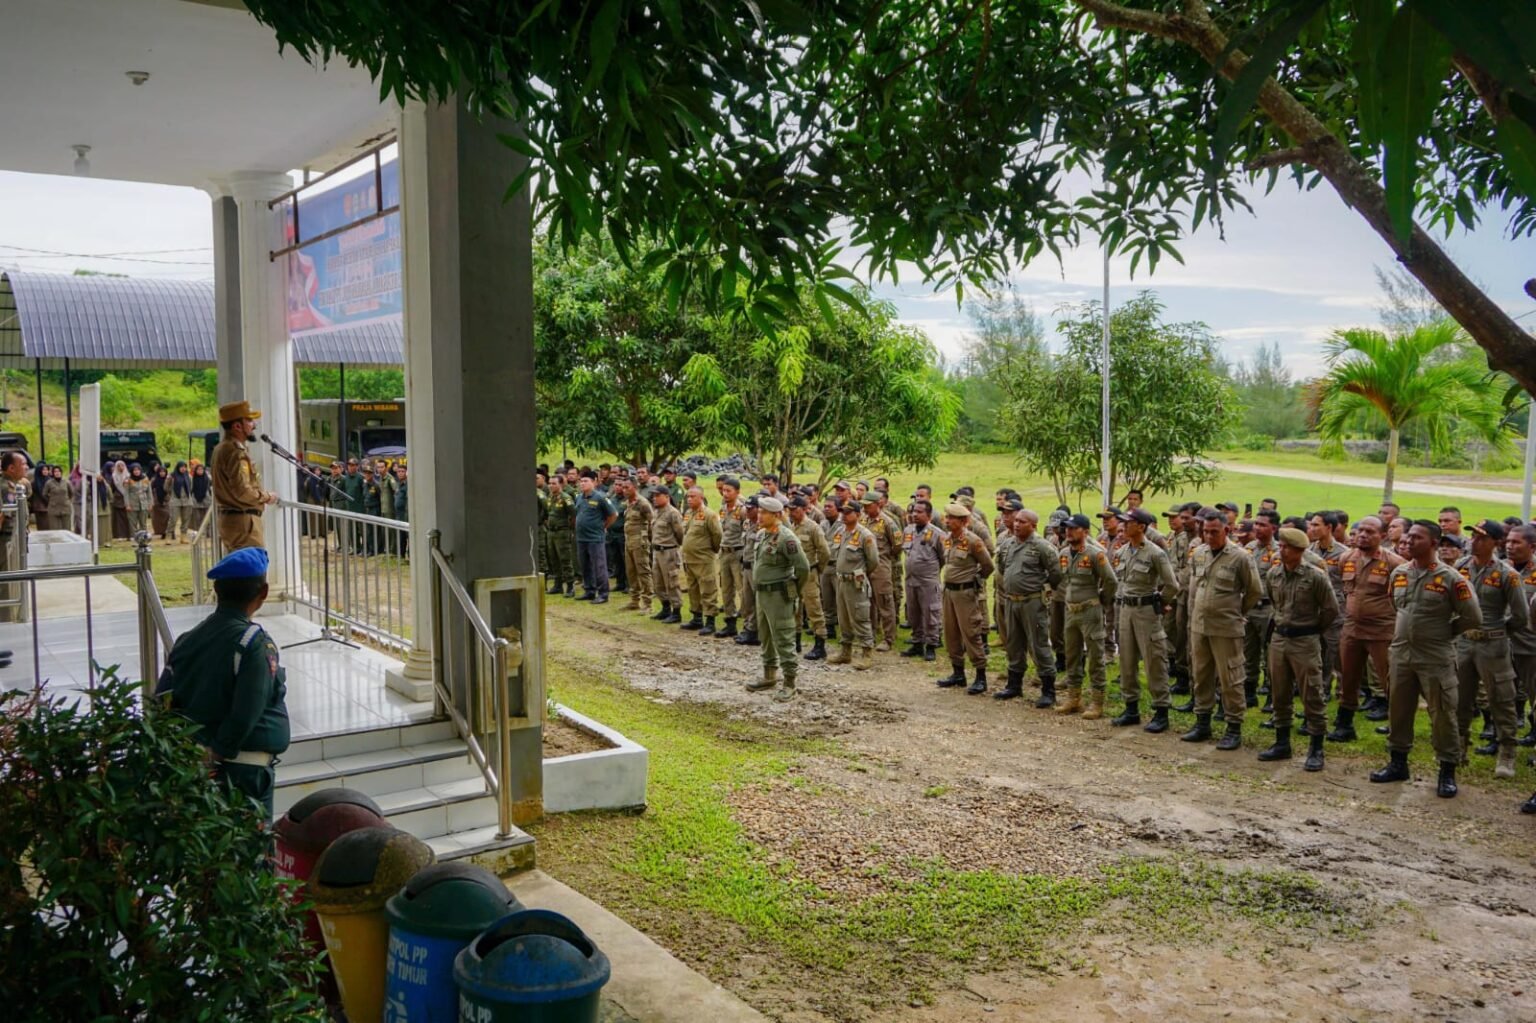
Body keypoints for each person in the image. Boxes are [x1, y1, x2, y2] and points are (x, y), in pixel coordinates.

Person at [155, 546, 289, 824]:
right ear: (263, 593)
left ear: (217, 590)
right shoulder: (253, 643)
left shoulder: (188, 639)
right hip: (242, 773)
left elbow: (163, 699)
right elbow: (246, 711)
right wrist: (216, 753)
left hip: (205, 767)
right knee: (250, 845)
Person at [1371, 520, 1483, 797]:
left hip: (1435, 655)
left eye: (1417, 537)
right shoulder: (1400, 573)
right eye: (1408, 536)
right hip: (1401, 653)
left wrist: (1445, 632)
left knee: (1443, 713)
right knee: (1398, 709)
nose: (1409, 541)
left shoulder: (1451, 578)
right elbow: (1395, 605)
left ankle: (1447, 770)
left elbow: (1472, 617)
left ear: (1433, 543)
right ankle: (1398, 762)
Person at [1452, 519, 1529, 778]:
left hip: (1493, 644)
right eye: (1473, 536)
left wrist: (1498, 632)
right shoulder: (1460, 567)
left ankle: (1507, 751)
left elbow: (1520, 616)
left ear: (1496, 542)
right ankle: (1459, 745)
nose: (1474, 541)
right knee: (1460, 696)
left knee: (1501, 698)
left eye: (1482, 538)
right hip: (1464, 643)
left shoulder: (1507, 574)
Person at [1261, 527, 1340, 770]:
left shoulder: (1315, 576)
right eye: (1281, 546)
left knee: (1312, 692)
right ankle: (1282, 742)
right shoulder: (1274, 574)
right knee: (1279, 691)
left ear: (1299, 550)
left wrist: (1313, 629)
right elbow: (1274, 604)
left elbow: (1331, 609)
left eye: (1286, 547)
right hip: (1279, 639)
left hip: (1305, 640)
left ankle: (1316, 747)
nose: (1281, 551)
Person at [1185, 508, 1263, 748]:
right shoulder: (1199, 553)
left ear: (1227, 530)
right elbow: (1195, 587)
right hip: (1200, 625)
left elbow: (1254, 591)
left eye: (1214, 532)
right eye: (1206, 531)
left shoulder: (1240, 557)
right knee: (1201, 675)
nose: (1209, 536)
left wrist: (1238, 612)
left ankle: (1233, 726)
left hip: (1226, 627)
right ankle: (1202, 722)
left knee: (1231, 678)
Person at [1330, 516, 1404, 742]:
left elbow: (1403, 599)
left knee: (1389, 680)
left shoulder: (1395, 563)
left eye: (1370, 532)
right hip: (1352, 628)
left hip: (1382, 631)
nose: (1362, 535)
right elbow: (1347, 591)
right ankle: (1344, 724)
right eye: (1361, 530)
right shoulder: (1346, 558)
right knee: (1348, 678)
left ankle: (1398, 729)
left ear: (1382, 536)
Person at [1110, 508, 1179, 730]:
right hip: (1125, 610)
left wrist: (1159, 603)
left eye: (1128, 522)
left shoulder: (1155, 553)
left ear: (1141, 526)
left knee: (1154, 660)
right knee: (1126, 660)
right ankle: (1131, 708)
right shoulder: (1122, 552)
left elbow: (1172, 585)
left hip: (1146, 611)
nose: (1123, 526)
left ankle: (1161, 710)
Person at [742, 496, 811, 701]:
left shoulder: (786, 538)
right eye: (759, 512)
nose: (760, 516)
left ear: (777, 515)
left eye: (764, 513)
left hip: (779, 595)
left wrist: (793, 589)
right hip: (762, 593)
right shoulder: (762, 534)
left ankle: (789, 682)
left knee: (783, 637)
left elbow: (803, 568)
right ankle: (769, 675)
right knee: (765, 635)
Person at [994, 509, 1062, 706]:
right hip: (1011, 600)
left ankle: (1048, 690)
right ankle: (1014, 685)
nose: (1016, 524)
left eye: (1022, 522)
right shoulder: (1007, 545)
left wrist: (1040, 588)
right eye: (1016, 521)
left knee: (1039, 644)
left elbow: (1056, 573)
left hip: (1033, 602)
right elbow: (1001, 567)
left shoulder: (1042, 547)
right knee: (1014, 643)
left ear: (1033, 526)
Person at [1053, 513, 1117, 716]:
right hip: (1071, 610)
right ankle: (1074, 697)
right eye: (1067, 528)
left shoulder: (1095, 554)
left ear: (1086, 531)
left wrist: (1102, 600)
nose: (1069, 532)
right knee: (1072, 654)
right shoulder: (1064, 553)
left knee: (1095, 656)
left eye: (1074, 528)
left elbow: (1111, 581)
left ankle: (1097, 701)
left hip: (1090, 611)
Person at [210, 400, 277, 551]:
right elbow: (242, 491)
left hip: (235, 521)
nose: (254, 425)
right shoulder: (235, 452)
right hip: (244, 524)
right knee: (252, 564)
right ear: (237, 426)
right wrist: (267, 497)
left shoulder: (221, 448)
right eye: (250, 421)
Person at [829, 500, 880, 670]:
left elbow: (873, 561)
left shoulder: (865, 535)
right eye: (842, 512)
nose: (844, 515)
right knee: (843, 617)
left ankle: (867, 653)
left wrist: (860, 573)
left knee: (860, 616)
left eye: (848, 512)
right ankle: (845, 651)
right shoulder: (840, 532)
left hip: (855, 583)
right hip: (841, 581)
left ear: (858, 515)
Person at [1243, 510, 1282, 709]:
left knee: (1270, 654)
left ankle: (1271, 695)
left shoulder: (1278, 551)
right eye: (1256, 524)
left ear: (1273, 528)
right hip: (1249, 607)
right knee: (1248, 652)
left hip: (1268, 608)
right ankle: (1249, 692)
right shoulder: (1249, 548)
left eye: (1262, 525)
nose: (1257, 528)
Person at [900, 500, 946, 663]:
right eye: (913, 511)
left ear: (929, 515)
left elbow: (943, 557)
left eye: (919, 512)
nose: (915, 514)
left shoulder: (937, 534)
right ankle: (917, 643)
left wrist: (931, 571)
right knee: (913, 613)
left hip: (928, 581)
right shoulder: (908, 530)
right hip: (911, 579)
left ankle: (931, 645)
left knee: (931, 613)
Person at [789, 496, 832, 661]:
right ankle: (796, 640)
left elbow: (824, 551)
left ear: (803, 509)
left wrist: (818, 568)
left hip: (809, 573)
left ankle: (820, 644)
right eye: (790, 510)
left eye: (794, 510)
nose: (791, 513)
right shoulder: (791, 526)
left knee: (814, 608)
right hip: (794, 573)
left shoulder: (813, 527)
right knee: (795, 608)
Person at [679, 486, 722, 633]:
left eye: (693, 497)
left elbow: (717, 535)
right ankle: (696, 618)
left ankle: (710, 621)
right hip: (689, 559)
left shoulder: (709, 515)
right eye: (688, 497)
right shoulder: (688, 513)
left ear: (701, 498)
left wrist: (712, 550)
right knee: (693, 589)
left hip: (703, 559)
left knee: (708, 590)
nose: (689, 499)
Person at [863, 494, 901, 651]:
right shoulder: (863, 520)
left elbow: (897, 545)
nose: (865, 508)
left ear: (878, 504)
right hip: (865, 566)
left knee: (885, 602)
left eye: (868, 505)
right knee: (868, 602)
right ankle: (870, 634)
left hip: (881, 567)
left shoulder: (888, 522)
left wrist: (885, 556)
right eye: (864, 505)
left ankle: (888, 638)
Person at [574, 470, 618, 603]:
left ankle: (603, 593)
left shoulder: (600, 497)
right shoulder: (579, 497)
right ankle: (589, 590)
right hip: (581, 538)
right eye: (581, 481)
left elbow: (613, 514)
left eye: (586, 481)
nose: (582, 483)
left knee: (599, 566)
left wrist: (604, 526)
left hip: (595, 538)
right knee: (585, 565)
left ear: (594, 482)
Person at [715, 477, 748, 639]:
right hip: (724, 552)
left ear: (737, 492)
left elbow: (747, 533)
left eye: (729, 491)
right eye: (723, 490)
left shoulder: (742, 510)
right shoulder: (722, 508)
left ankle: (749, 625)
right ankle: (730, 623)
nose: (725, 493)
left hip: (737, 553)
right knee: (726, 589)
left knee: (742, 590)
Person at [622, 479, 655, 613]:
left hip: (640, 541)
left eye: (627, 487)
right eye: (623, 487)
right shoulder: (628, 503)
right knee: (631, 572)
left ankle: (648, 603)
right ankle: (634, 600)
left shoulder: (643, 503)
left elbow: (652, 522)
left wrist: (648, 540)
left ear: (634, 487)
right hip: (629, 540)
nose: (624, 490)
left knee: (643, 571)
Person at [545, 476, 578, 597]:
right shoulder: (550, 497)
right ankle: (557, 585)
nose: (551, 486)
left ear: (560, 485)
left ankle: (570, 586)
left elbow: (574, 515)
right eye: (550, 483)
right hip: (551, 532)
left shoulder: (566, 498)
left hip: (562, 532)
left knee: (565, 559)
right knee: (553, 559)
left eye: (554, 483)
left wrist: (570, 529)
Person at [122, 462, 154, 539]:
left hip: (143, 503)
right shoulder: (128, 480)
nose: (136, 472)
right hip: (132, 503)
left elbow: (149, 492)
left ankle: (143, 537)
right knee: (133, 522)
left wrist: (150, 503)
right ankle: (134, 537)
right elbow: (126, 493)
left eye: (138, 470)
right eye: (134, 470)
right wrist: (127, 505)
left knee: (143, 522)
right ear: (132, 471)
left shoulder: (145, 479)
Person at [169, 461, 194, 542]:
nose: (183, 469)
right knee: (173, 519)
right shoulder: (172, 476)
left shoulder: (188, 476)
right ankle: (168, 536)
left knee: (186, 519)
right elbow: (166, 487)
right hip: (175, 500)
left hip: (187, 500)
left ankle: (183, 536)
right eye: (181, 467)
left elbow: (191, 487)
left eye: (184, 467)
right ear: (178, 468)